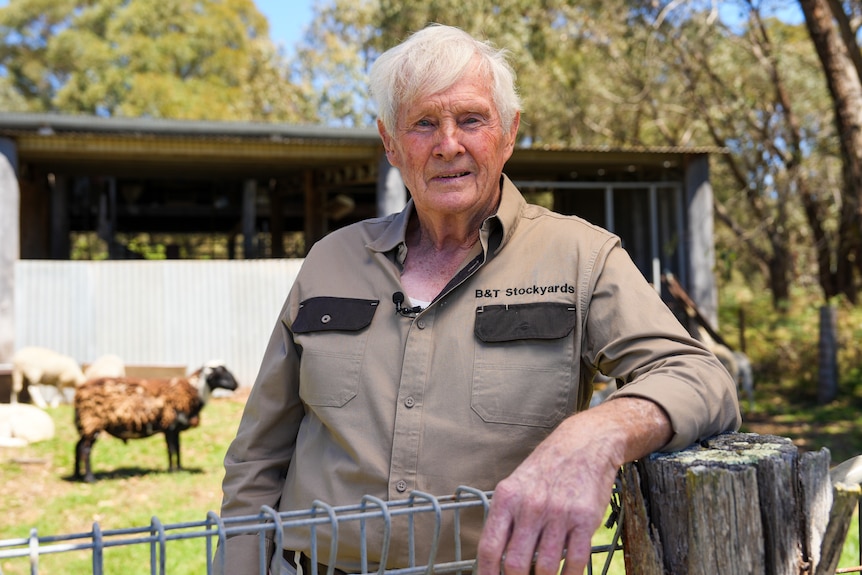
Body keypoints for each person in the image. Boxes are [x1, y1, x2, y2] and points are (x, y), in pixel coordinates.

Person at [219, 23, 741, 575]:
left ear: (509, 133)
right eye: (423, 123)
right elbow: (258, 455)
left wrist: (594, 434)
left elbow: (698, 378)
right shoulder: (332, 259)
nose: (449, 144)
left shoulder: (579, 255)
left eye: (471, 119)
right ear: (390, 143)